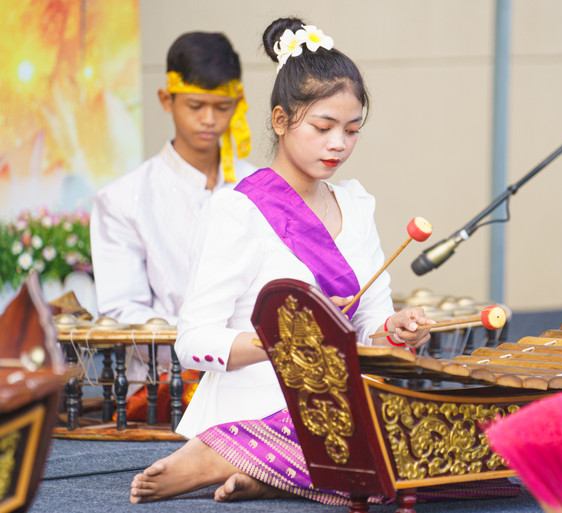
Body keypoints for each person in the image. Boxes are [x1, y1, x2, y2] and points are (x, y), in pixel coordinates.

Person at [128, 17, 436, 505]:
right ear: (279, 121)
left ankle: (262, 470)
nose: (339, 143)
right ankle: (228, 451)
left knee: (448, 444)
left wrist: (396, 328)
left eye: (352, 130)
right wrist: (285, 344)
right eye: (323, 127)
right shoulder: (237, 210)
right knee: (390, 457)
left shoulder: (356, 205)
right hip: (260, 405)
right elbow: (192, 342)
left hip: (340, 401)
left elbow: (371, 323)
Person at [90, 32, 254, 387]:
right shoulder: (122, 198)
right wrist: (211, 348)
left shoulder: (262, 187)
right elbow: (122, 312)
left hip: (253, 380)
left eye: (222, 107)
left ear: (238, 103)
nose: (209, 119)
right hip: (161, 388)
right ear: (167, 99)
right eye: (196, 106)